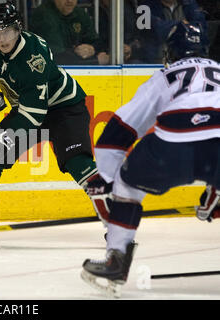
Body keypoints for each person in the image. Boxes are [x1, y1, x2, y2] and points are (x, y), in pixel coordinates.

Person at [80, 22, 218, 298]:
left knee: (128, 185)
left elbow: (116, 134)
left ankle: (116, 260)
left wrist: (108, 182)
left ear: (171, 52)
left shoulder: (164, 75)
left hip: (174, 143)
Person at [0, 2, 101, 242]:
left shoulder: (35, 56)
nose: (1, 39)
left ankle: (114, 217)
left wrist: (5, 135)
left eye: (7, 32)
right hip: (26, 108)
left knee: (77, 163)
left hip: (63, 109)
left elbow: (34, 116)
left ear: (18, 29)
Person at [29, 0, 102, 65]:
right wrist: (96, 61)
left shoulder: (80, 13)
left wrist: (92, 49)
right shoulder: (44, 15)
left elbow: (96, 42)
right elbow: (59, 58)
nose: (70, 1)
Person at [138, 0, 207, 63]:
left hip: (187, 60)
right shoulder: (146, 5)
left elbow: (201, 27)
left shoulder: (188, 3)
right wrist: (181, 25)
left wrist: (176, 28)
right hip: (156, 60)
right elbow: (154, 29)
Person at [97, 0, 144, 64]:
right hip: (102, 58)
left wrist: (130, 48)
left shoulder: (127, 9)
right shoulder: (94, 10)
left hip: (127, 59)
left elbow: (139, 37)